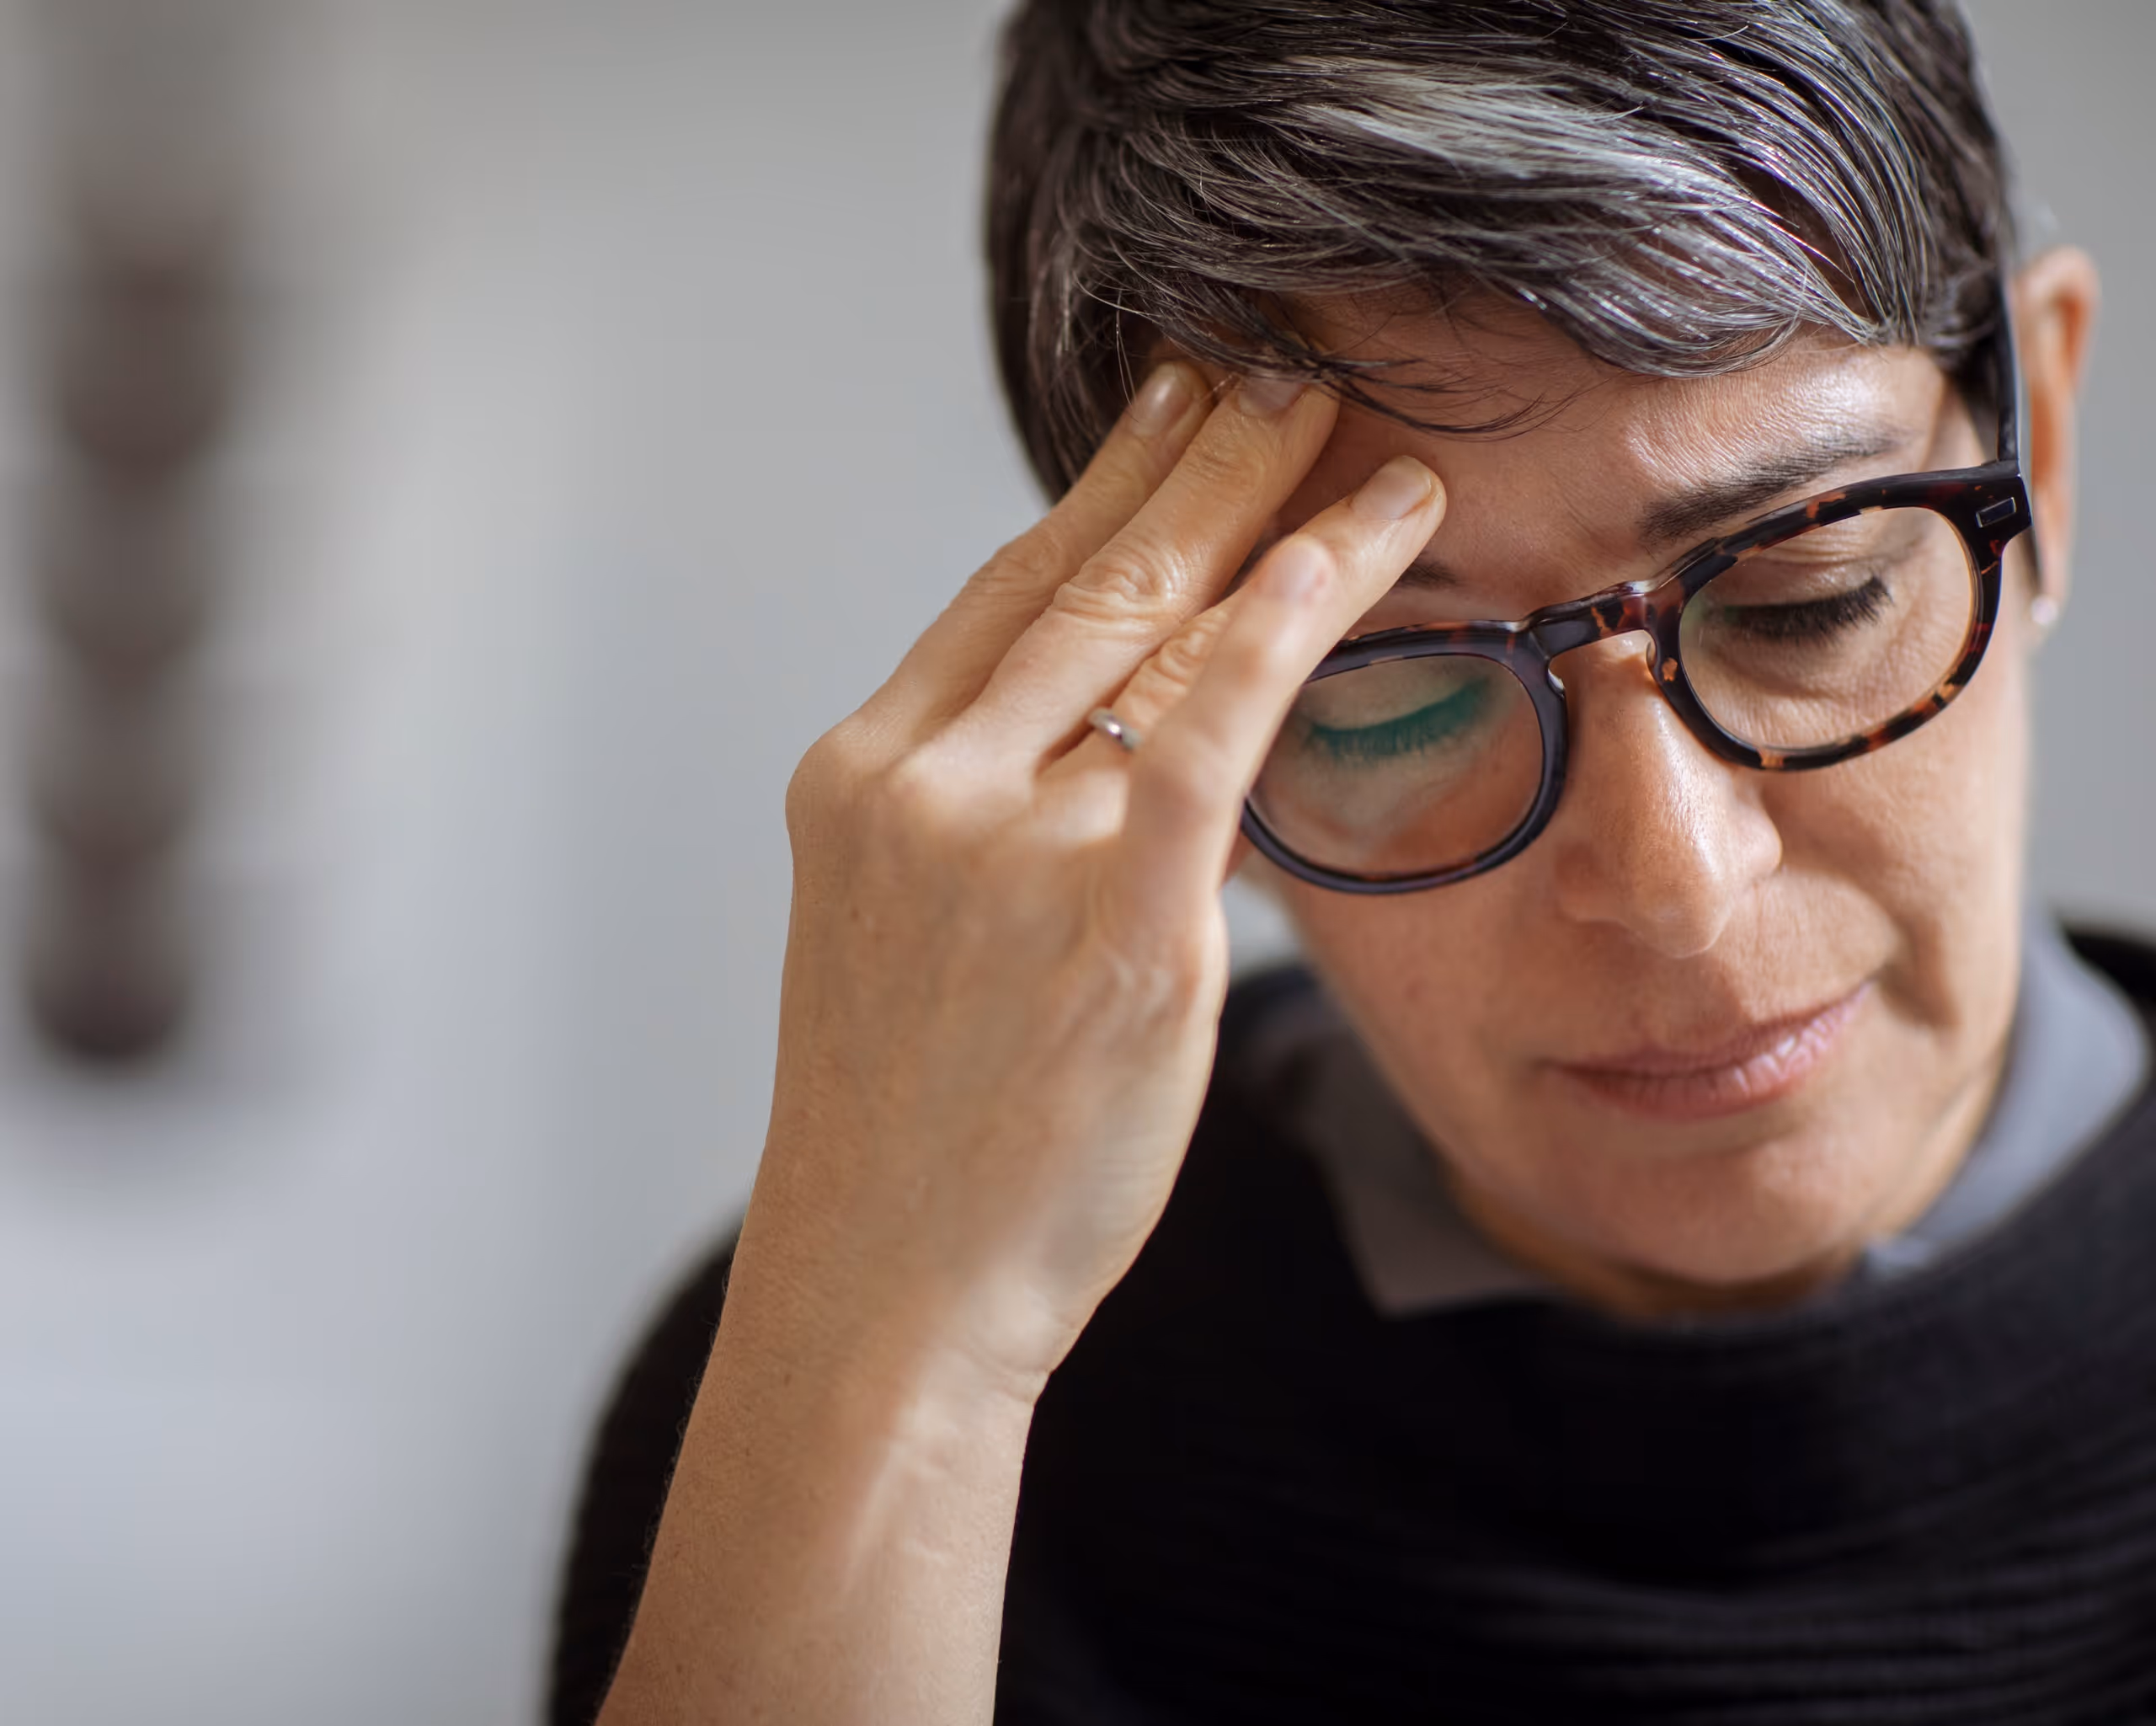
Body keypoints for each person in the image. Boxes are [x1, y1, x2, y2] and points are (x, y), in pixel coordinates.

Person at [551, 3, 2155, 1720]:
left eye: (1807, 598)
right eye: (1391, 700)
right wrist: (891, 1369)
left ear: (2038, 445)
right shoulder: (848, 1395)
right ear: (1172, 721)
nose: (1676, 880)